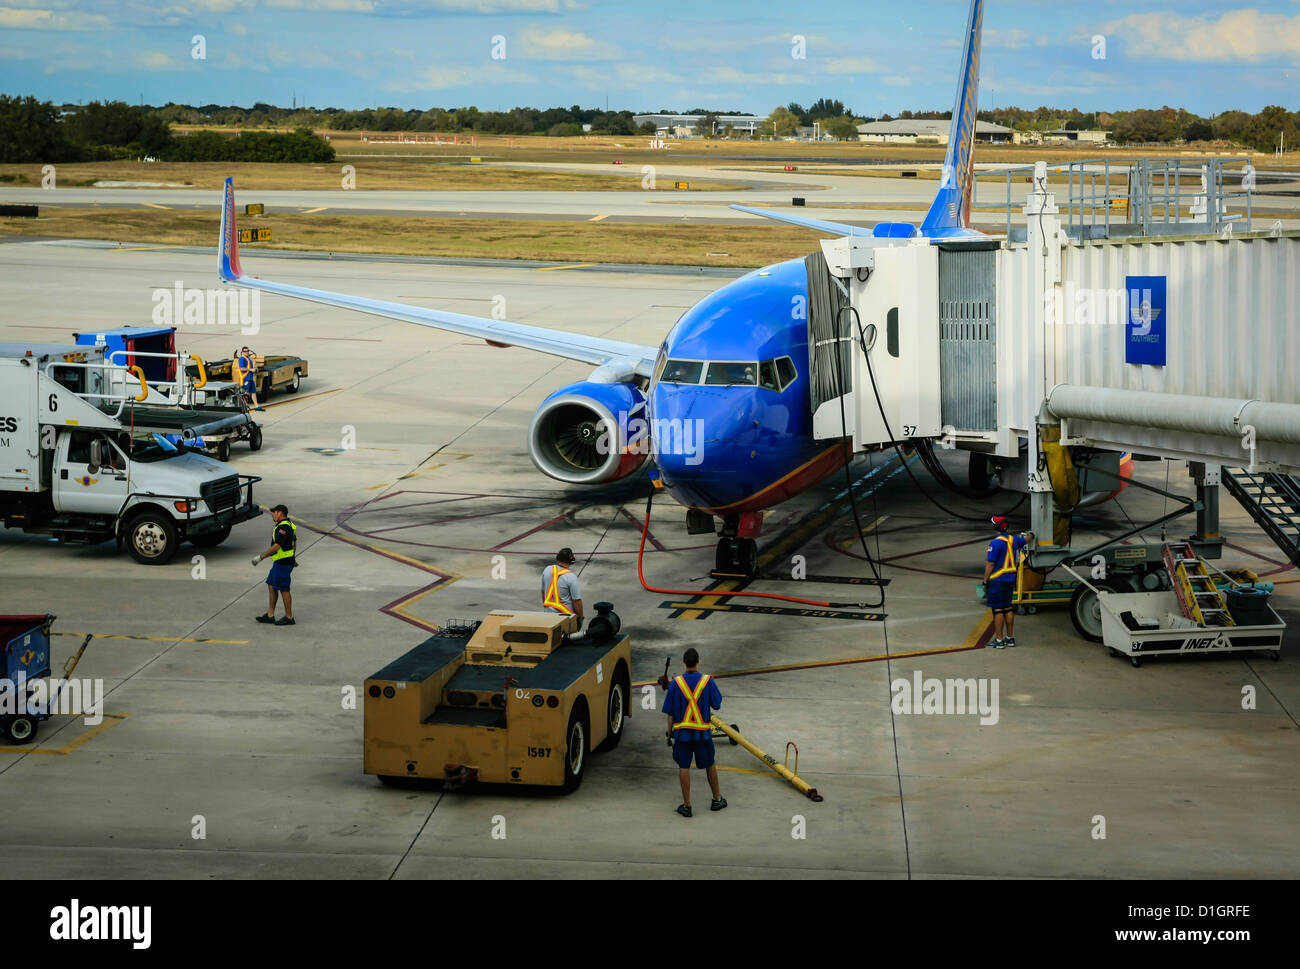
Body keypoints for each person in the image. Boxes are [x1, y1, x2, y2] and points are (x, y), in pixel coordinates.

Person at [661, 648, 726, 817]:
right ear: (699, 661)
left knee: (684, 766)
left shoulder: (676, 683)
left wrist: (669, 734)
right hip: (702, 734)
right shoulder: (707, 681)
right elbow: (717, 704)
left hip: (682, 734)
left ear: (683, 662)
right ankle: (717, 799)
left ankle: (687, 805)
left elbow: (670, 713)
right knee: (710, 764)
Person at [984, 516, 1028, 648]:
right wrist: (1031, 534)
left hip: (997, 580)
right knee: (1008, 608)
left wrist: (985, 580)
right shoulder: (1013, 539)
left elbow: (990, 564)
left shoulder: (995, 543)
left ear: (995, 527)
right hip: (1010, 579)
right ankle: (1010, 637)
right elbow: (1026, 540)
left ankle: (999, 640)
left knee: (997, 610)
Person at [253, 504, 296, 626]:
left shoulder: (283, 528)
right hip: (280, 561)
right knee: (271, 585)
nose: (273, 514)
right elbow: (294, 541)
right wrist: (294, 556)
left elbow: (277, 546)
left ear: (280, 513)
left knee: (284, 589)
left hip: (283, 562)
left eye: (274, 512)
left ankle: (289, 617)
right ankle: (270, 615)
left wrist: (260, 557)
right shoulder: (289, 525)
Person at [540, 548, 583, 626]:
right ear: (571, 560)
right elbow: (577, 601)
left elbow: (543, 592)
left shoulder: (547, 569)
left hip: (548, 616)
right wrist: (580, 618)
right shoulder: (571, 577)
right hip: (566, 618)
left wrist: (547, 609)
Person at [234, 345, 262, 411]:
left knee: (253, 392)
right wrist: (251, 370)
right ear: (243, 352)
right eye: (245, 351)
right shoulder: (242, 359)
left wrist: (254, 369)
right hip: (245, 378)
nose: (247, 352)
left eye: (247, 351)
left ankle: (256, 405)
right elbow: (241, 368)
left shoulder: (248, 358)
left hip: (250, 378)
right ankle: (242, 407)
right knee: (244, 393)